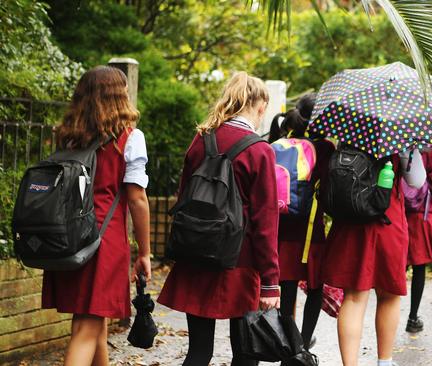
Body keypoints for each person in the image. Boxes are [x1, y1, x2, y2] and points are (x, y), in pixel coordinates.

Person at [158, 72, 279, 366]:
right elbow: (265, 221)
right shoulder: (259, 151)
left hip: (196, 254)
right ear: (259, 105)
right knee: (246, 354)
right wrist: (270, 282)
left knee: (198, 352)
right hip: (241, 261)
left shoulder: (200, 141)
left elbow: (183, 195)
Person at [41, 66, 152, 366]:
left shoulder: (68, 136)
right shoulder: (129, 138)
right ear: (120, 96)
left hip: (69, 238)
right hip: (102, 240)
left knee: (95, 324)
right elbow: (137, 198)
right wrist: (145, 252)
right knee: (85, 329)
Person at [320, 144, 426, 365]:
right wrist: (411, 149)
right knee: (388, 295)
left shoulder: (349, 131)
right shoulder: (399, 136)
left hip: (351, 222)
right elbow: (417, 180)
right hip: (386, 222)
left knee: (353, 297)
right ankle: (384, 361)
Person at [269, 94, 335, 349]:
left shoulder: (278, 144)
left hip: (282, 229)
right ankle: (304, 344)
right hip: (311, 231)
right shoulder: (324, 148)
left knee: (287, 287)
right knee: (315, 288)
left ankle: (289, 344)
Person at [405, 148, 432, 332]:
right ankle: (413, 318)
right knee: (419, 266)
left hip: (400, 212)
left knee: (399, 264)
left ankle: (389, 312)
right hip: (422, 213)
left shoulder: (400, 145)